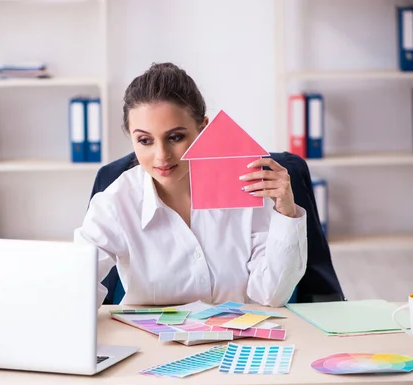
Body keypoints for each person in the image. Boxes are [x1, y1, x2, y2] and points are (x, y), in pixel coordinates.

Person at [75, 61, 307, 309]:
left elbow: (272, 294)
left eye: (175, 137)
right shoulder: (115, 203)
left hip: (236, 341)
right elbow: (76, 288)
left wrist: (286, 213)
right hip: (152, 345)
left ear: (203, 130)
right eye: (145, 140)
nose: (161, 155)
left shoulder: (247, 186)